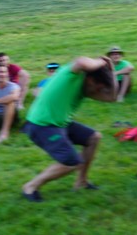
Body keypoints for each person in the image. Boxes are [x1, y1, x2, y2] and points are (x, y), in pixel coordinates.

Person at [21, 56, 117, 202]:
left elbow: (111, 97)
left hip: (60, 123)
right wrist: (102, 62)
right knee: (72, 163)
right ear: (90, 80)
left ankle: (81, 182)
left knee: (94, 138)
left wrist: (112, 71)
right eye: (98, 87)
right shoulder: (72, 75)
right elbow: (80, 61)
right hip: (41, 125)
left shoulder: (86, 88)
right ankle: (30, 187)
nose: (98, 91)